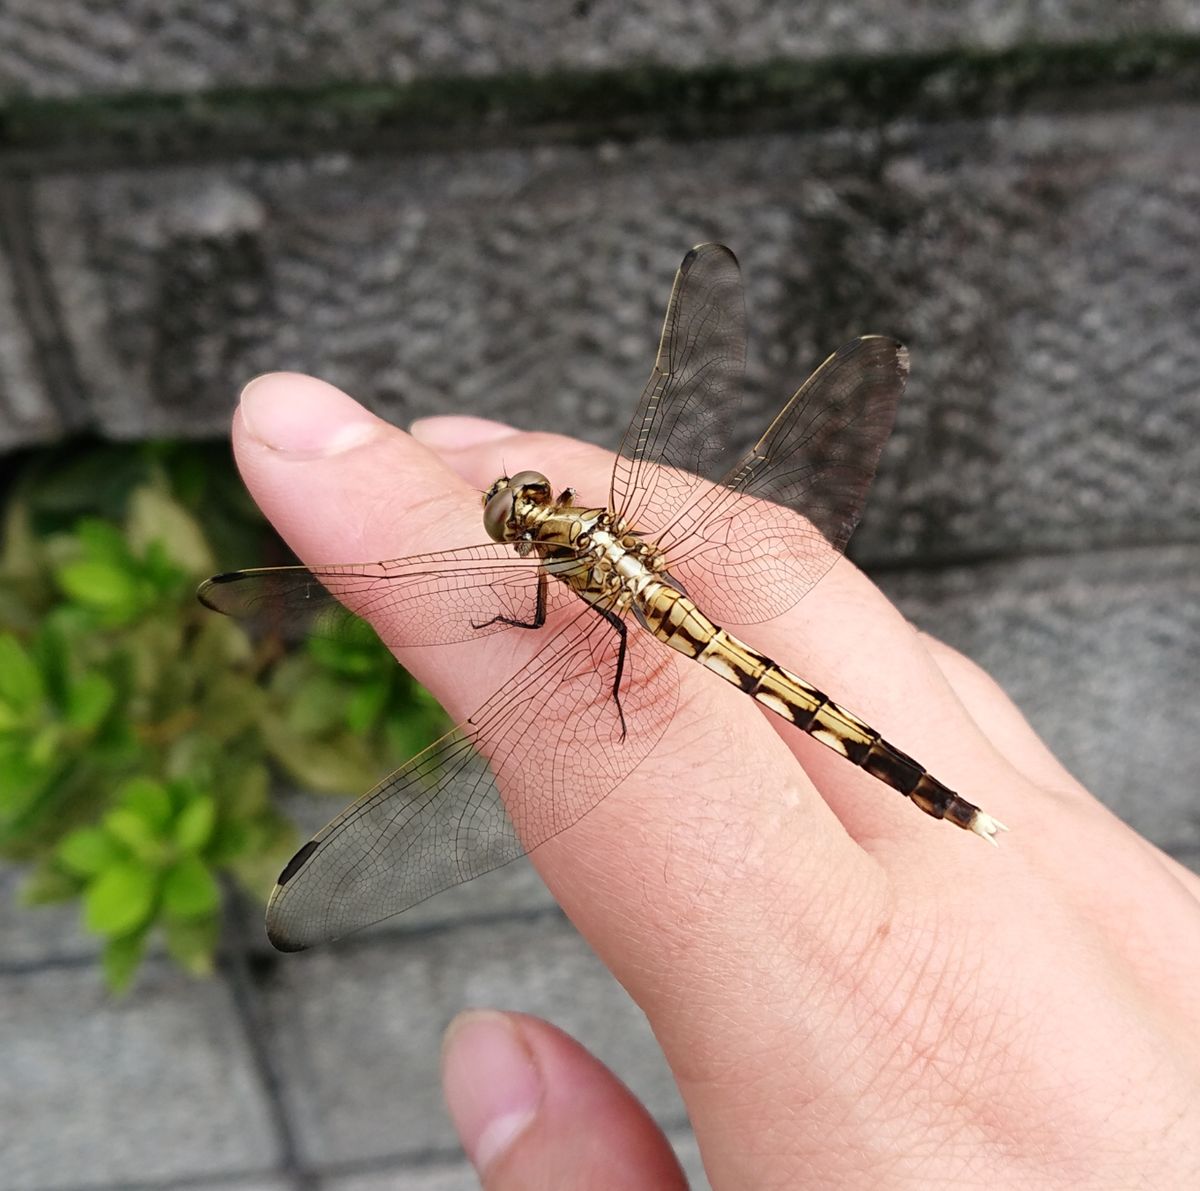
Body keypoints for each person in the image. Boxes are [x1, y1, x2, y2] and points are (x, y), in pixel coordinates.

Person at [232, 372, 1200, 1190]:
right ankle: (954, 802)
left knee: (754, 693)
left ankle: (941, 801)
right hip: (668, 604)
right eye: (519, 509)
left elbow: (585, 630)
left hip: (668, 620)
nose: (522, 513)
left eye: (522, 507)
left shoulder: (552, 564)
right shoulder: (589, 528)